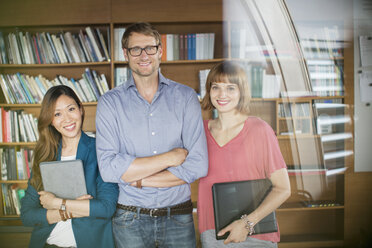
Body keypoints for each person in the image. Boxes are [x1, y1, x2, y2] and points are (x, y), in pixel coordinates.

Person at [95, 22, 208, 248]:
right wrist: (171, 157)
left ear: (160, 51)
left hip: (178, 216)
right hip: (129, 219)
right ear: (126, 54)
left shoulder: (186, 97)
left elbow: (198, 166)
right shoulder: (110, 102)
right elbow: (108, 170)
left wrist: (137, 179)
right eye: (136, 49)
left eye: (150, 48)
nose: (143, 55)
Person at [197, 61, 291, 248]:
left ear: (242, 92)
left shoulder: (259, 130)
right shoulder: (199, 132)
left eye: (230, 88)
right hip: (212, 233)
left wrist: (246, 224)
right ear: (209, 91)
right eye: (216, 87)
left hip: (256, 234)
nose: (222, 94)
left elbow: (283, 189)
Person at [21, 85, 119, 248]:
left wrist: (56, 202)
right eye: (57, 114)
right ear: (50, 120)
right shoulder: (46, 155)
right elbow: (27, 215)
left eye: (71, 109)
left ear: (80, 110)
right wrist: (69, 209)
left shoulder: (100, 151)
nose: (67, 119)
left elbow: (106, 208)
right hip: (47, 243)